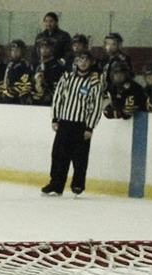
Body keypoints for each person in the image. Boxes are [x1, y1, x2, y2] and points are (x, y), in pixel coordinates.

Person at [44, 51, 102, 197]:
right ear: (75, 61)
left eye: (86, 60)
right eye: (80, 59)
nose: (83, 62)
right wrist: (55, 118)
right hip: (65, 122)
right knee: (58, 155)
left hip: (81, 125)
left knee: (80, 157)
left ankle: (78, 184)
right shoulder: (67, 77)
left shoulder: (94, 83)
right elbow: (58, 97)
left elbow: (96, 106)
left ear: (90, 62)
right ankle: (56, 184)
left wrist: (90, 126)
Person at [30, 38, 66, 106]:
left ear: (52, 49)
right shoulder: (35, 64)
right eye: (42, 47)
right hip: (35, 99)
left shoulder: (57, 65)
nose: (44, 50)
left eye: (47, 48)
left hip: (50, 100)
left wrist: (51, 94)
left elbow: (60, 84)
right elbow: (30, 80)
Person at [0, 40, 33, 105]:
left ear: (22, 51)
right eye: (12, 50)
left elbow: (25, 82)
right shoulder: (9, 64)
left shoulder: (24, 65)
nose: (14, 52)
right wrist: (1, 92)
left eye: (17, 50)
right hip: (6, 97)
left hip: (17, 98)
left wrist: (17, 93)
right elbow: (4, 80)